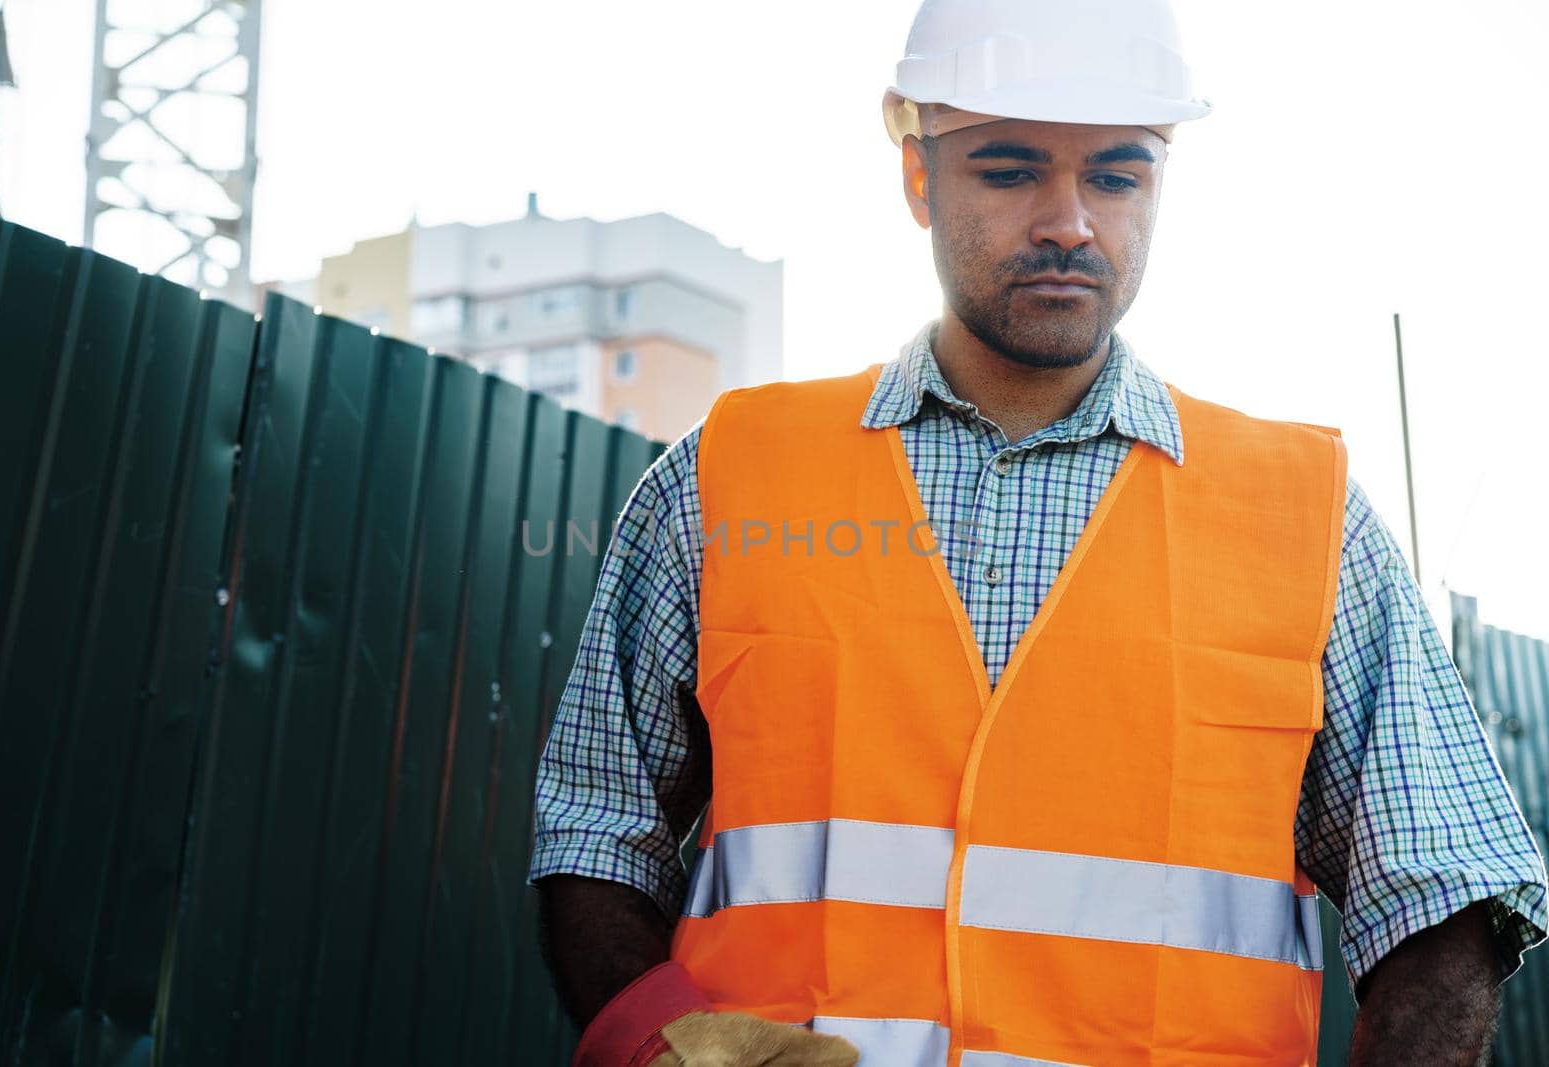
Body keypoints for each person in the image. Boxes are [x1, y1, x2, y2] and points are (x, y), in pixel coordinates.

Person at [528, 1, 1549, 1063]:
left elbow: (1446, 889)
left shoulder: (1302, 514)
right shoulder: (730, 473)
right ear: (919, 172)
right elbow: (596, 827)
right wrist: (659, 1042)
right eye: (1009, 169)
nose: (1069, 221)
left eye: (1116, 175)